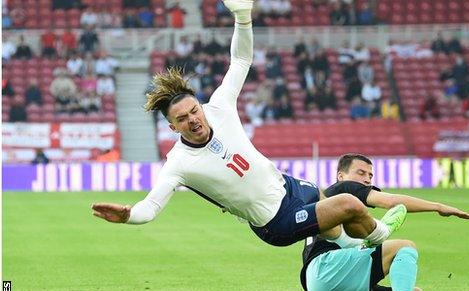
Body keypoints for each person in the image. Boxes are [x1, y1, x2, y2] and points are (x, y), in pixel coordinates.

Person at [91, 1, 405, 250]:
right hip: (274, 222)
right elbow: (151, 206)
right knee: (348, 203)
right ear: (173, 127)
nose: (192, 119)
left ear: (200, 106)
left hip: (287, 186)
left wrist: (243, 18)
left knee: (328, 209)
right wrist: (129, 216)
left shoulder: (220, 107)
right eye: (182, 119)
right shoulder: (179, 163)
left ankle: (351, 248)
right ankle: (381, 235)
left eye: (194, 111)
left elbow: (240, 61)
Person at [301, 154, 469, 291]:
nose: (367, 179)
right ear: (341, 176)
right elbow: (391, 201)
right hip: (327, 269)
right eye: (360, 173)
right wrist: (437, 206)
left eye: (370, 175)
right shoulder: (344, 189)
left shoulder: (331, 207)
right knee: (404, 246)